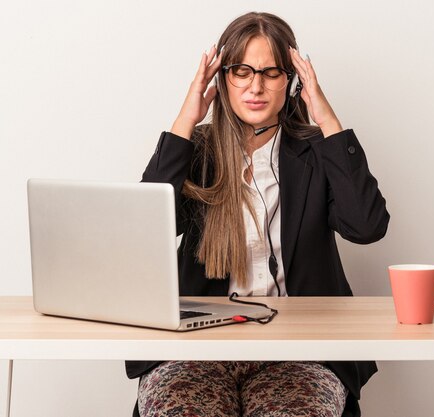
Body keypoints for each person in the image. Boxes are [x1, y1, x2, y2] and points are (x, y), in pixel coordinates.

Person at [126, 11, 389, 417]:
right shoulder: (196, 152)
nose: (256, 86)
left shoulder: (317, 155)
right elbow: (142, 232)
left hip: (301, 351)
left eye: (270, 72)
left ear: (292, 80)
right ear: (222, 79)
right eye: (242, 71)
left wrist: (327, 120)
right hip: (197, 350)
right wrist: (185, 120)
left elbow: (367, 226)